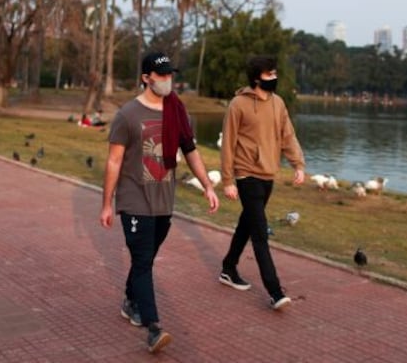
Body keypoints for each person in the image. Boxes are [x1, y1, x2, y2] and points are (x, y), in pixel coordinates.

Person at [100, 51, 219, 354]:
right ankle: (153, 327)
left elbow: (190, 151)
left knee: (145, 260)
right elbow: (114, 161)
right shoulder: (128, 115)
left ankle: (130, 300)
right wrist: (107, 203)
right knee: (142, 262)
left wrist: (207, 185)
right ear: (146, 78)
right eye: (161, 75)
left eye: (170, 75)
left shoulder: (177, 112)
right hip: (134, 199)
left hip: (164, 201)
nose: (167, 80)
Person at [218, 54, 305, 310]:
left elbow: (288, 136)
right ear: (257, 78)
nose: (274, 78)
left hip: (269, 174)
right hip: (246, 174)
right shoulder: (238, 104)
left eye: (275, 74)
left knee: (247, 222)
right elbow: (228, 144)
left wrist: (298, 164)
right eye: (270, 75)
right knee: (259, 233)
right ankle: (275, 291)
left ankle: (228, 267)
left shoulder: (278, 103)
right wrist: (228, 180)